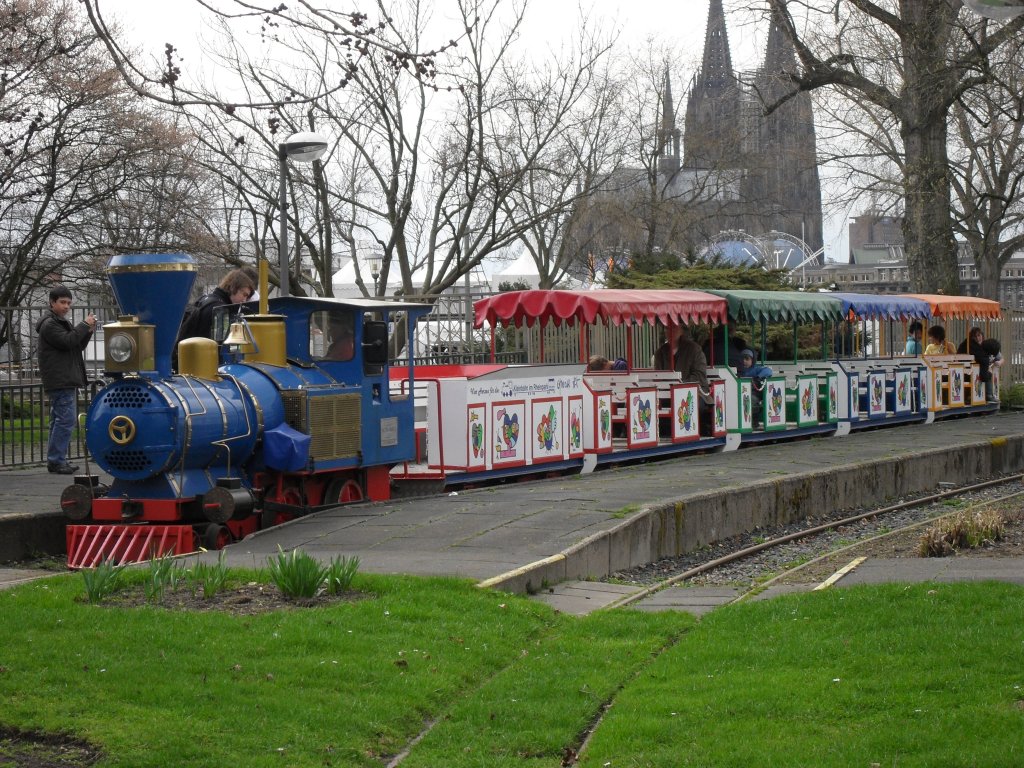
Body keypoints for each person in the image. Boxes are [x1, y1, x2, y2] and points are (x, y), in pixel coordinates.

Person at [36, 286, 96, 474]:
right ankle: (56, 460)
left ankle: (55, 459)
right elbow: (67, 341)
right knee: (66, 420)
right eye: (62, 302)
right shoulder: (50, 324)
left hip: (63, 378)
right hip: (60, 379)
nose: (66, 306)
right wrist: (84, 325)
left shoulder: (60, 322)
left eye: (69, 303)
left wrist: (88, 331)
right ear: (52, 302)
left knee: (59, 420)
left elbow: (75, 345)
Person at [178, 268, 256, 343]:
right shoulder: (220, 310)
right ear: (233, 288)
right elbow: (220, 345)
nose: (244, 300)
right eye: (244, 294)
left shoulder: (204, 299)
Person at [737, 348, 773, 423]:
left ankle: (754, 421)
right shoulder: (738, 370)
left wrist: (758, 377)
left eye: (747, 359)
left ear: (752, 360)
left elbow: (768, 371)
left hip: (754, 393)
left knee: (751, 400)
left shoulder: (756, 369)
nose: (744, 361)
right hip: (740, 393)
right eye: (742, 359)